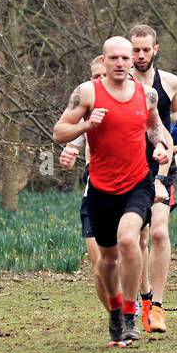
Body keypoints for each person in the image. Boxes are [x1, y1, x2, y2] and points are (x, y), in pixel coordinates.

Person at [53, 36, 171, 345]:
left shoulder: (147, 95)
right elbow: (59, 131)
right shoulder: (87, 92)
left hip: (137, 184)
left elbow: (154, 128)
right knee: (106, 261)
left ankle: (131, 314)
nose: (120, 63)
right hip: (101, 187)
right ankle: (116, 310)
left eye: (125, 58)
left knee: (129, 241)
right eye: (113, 58)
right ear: (104, 62)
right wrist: (86, 126)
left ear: (132, 60)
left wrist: (161, 146)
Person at [127, 25, 177, 333]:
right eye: (135, 50)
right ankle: (144, 299)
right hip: (128, 167)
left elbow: (176, 116)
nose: (140, 55)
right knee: (139, 238)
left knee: (160, 234)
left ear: (155, 50)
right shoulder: (120, 83)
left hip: (161, 166)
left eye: (145, 50)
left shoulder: (170, 82)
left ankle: (158, 308)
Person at [59, 55, 114, 316]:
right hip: (95, 192)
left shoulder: (133, 101)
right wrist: (69, 152)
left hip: (131, 191)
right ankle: (118, 315)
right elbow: (71, 137)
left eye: (104, 74)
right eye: (95, 76)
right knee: (99, 267)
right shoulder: (88, 109)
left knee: (125, 256)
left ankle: (137, 301)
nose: (100, 80)